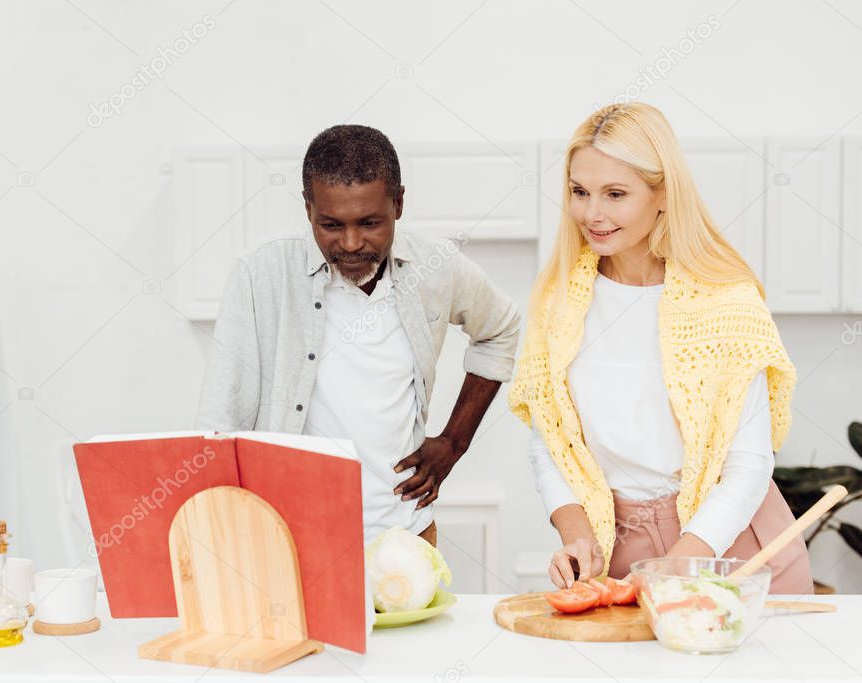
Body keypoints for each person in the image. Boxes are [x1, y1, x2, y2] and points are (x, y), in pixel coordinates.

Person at [508, 102, 813, 594]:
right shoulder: (557, 302)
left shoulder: (727, 301)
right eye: (580, 192)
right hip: (621, 547)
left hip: (733, 546)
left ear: (663, 194)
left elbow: (749, 464)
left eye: (616, 194)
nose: (593, 213)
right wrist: (577, 535)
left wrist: (680, 564)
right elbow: (551, 439)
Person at [197, 124, 521, 546]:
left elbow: (501, 328)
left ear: (399, 203)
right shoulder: (261, 273)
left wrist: (454, 441)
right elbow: (221, 421)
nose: (351, 244)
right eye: (331, 224)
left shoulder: (435, 267)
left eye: (370, 223)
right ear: (308, 208)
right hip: (289, 538)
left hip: (406, 534)